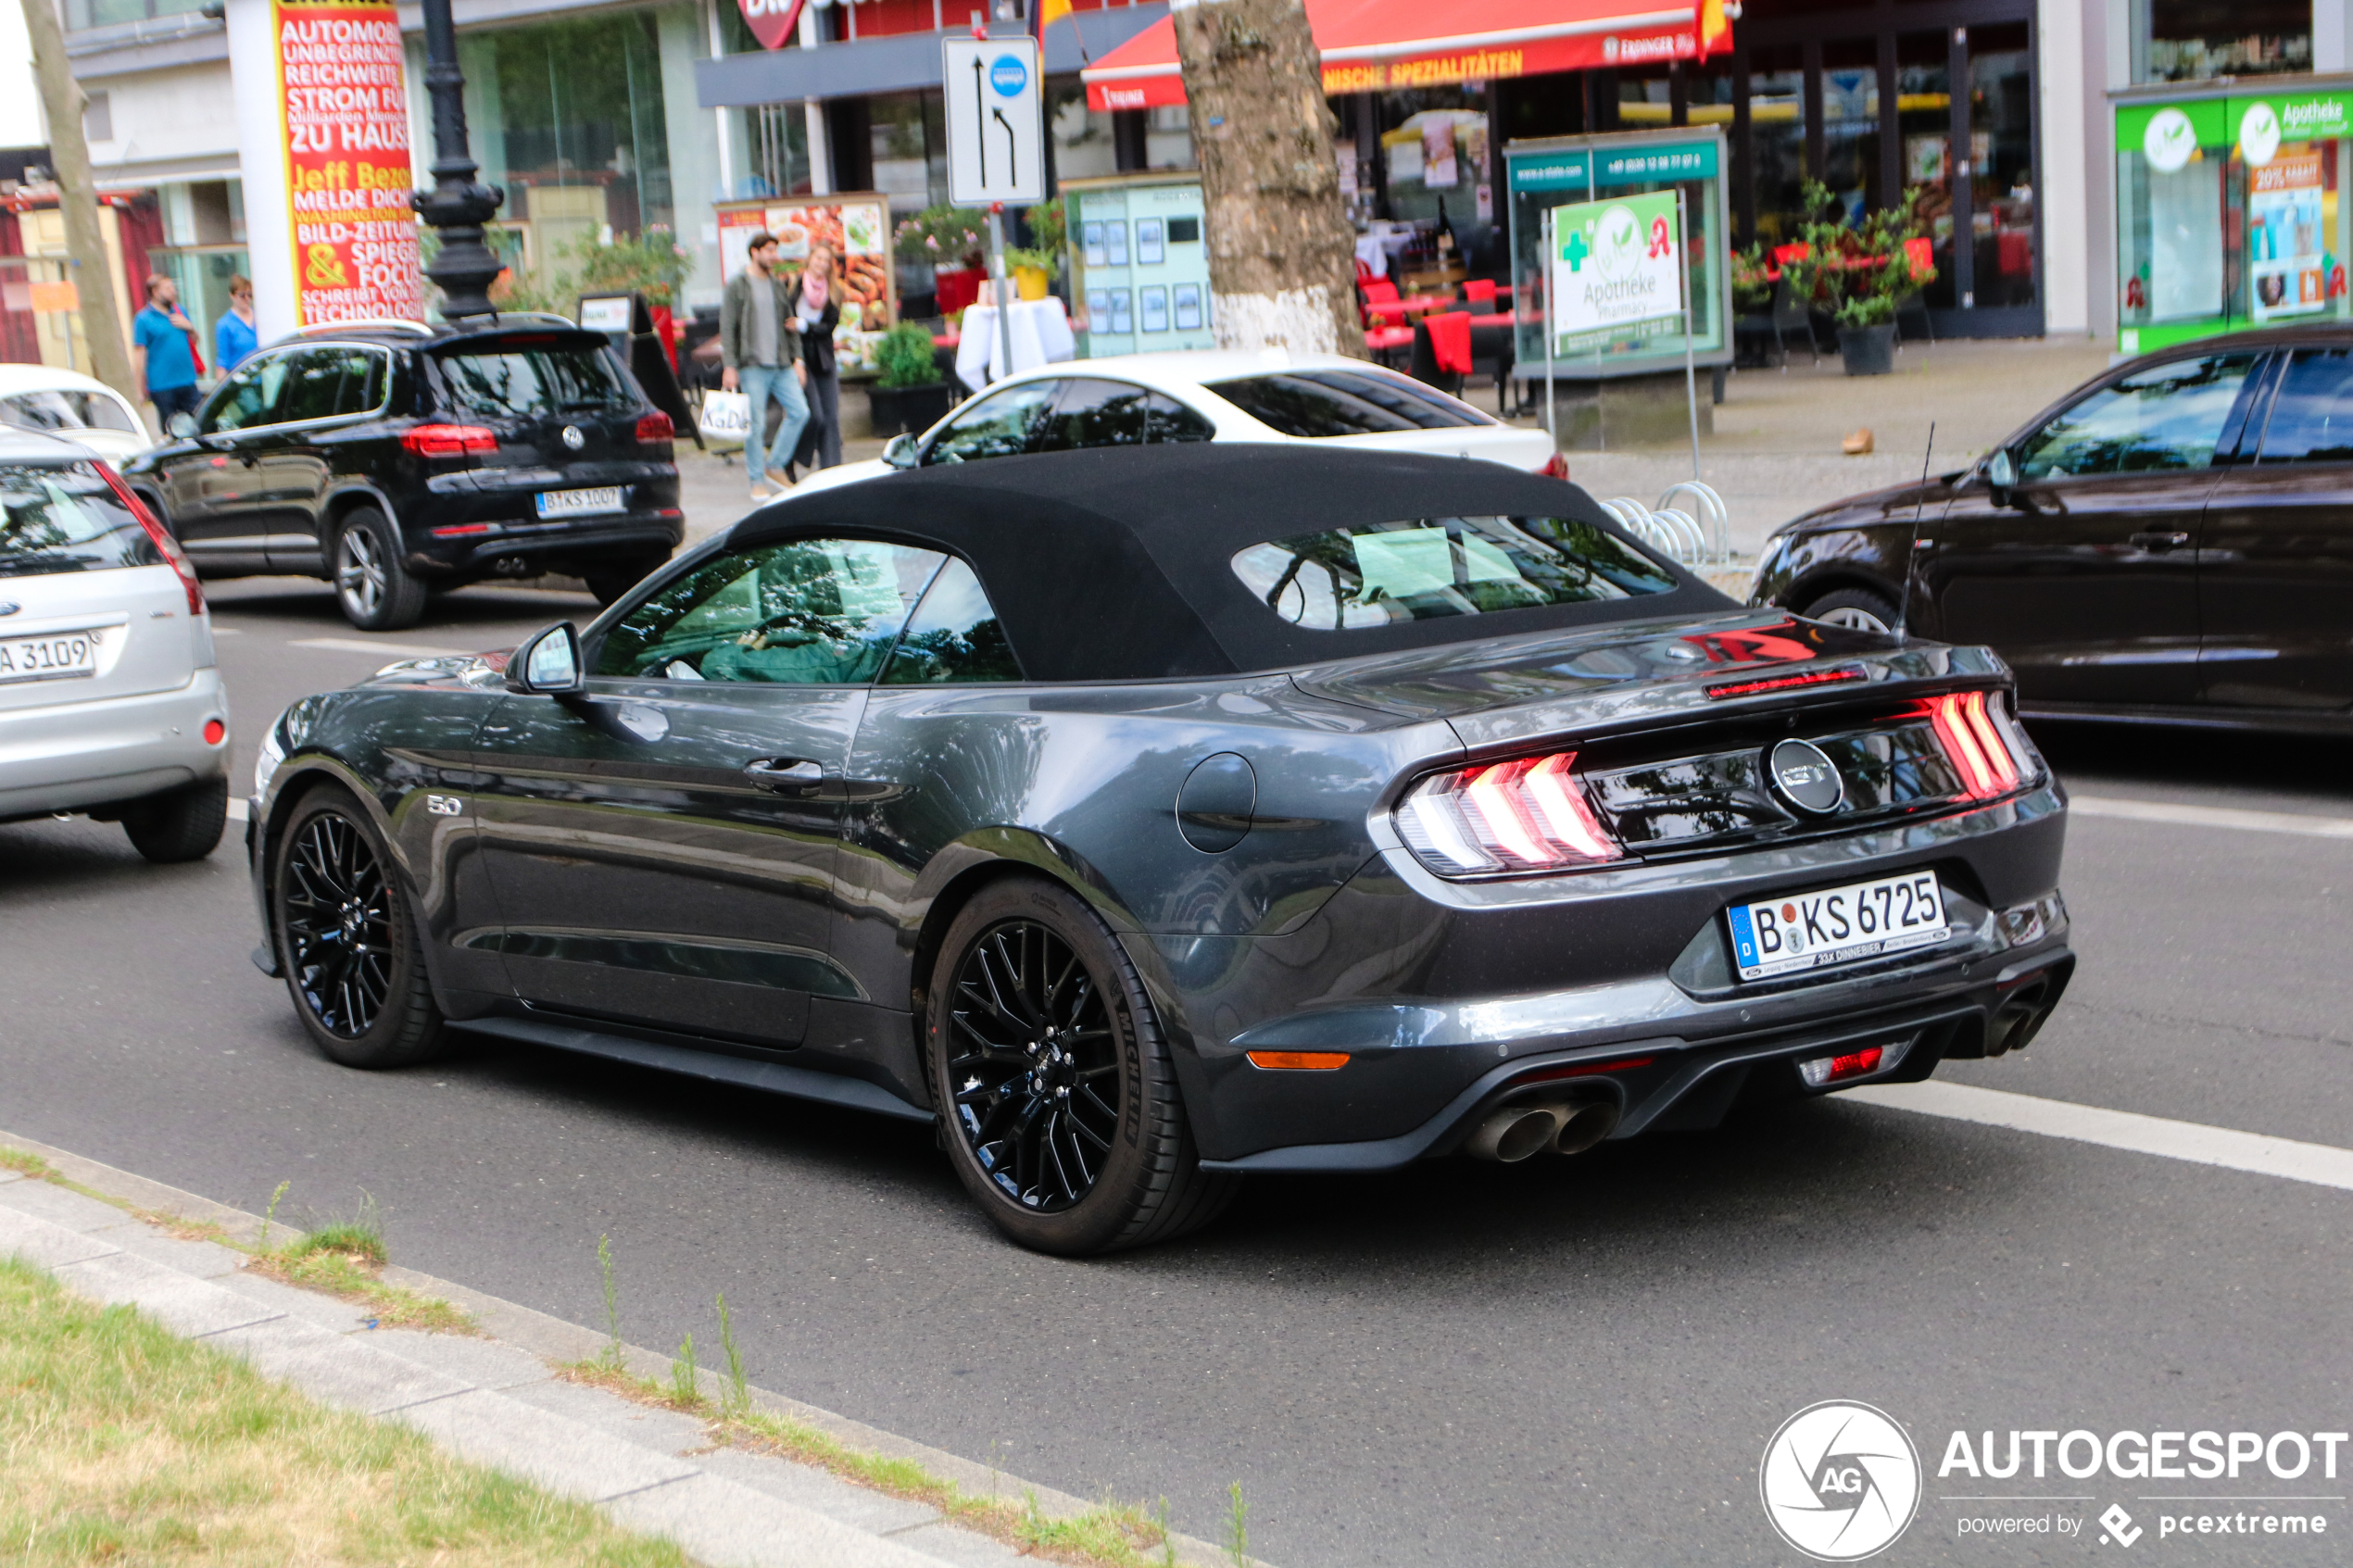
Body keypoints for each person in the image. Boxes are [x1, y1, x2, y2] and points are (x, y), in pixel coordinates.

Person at [717, 232, 809, 501]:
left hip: (781, 364)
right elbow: (727, 327)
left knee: (800, 412)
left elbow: (790, 325)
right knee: (755, 425)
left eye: (775, 251)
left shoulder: (778, 285)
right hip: (752, 365)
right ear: (754, 252)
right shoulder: (738, 285)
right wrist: (730, 366)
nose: (774, 256)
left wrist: (798, 360)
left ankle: (775, 464)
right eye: (769, 250)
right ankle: (756, 480)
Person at [792, 242, 843, 471]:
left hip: (823, 359)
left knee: (831, 417)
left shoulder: (833, 290)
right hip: (800, 359)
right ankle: (792, 459)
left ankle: (832, 469)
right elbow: (786, 321)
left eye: (826, 260)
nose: (821, 264)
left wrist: (804, 325)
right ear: (809, 258)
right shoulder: (793, 285)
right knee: (815, 416)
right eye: (818, 258)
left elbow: (829, 326)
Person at [130, 274, 201, 431]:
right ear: (155, 292)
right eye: (168, 288)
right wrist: (139, 390)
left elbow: (195, 341)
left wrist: (189, 327)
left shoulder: (179, 311)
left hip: (187, 381)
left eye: (173, 287)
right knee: (171, 430)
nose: (173, 291)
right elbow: (139, 355)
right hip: (162, 386)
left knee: (199, 424)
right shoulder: (143, 319)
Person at [214, 274, 258, 373]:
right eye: (242, 295)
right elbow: (222, 361)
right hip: (240, 380)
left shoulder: (259, 317)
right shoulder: (224, 324)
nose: (247, 299)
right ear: (232, 296)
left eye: (249, 295)